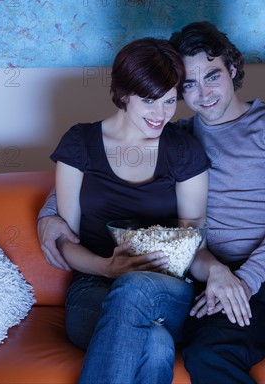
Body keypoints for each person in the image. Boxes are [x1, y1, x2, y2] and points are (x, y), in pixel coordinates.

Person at [39, 22, 265, 383]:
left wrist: (245, 279)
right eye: (189, 85)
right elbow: (105, 171)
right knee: (209, 358)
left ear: (233, 70)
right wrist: (50, 213)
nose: (203, 93)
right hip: (220, 279)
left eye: (212, 76)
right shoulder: (179, 137)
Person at [43, 37, 210, 384]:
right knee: (157, 344)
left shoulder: (183, 150)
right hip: (93, 286)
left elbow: (194, 236)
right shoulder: (80, 144)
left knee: (135, 287)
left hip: (168, 288)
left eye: (169, 101)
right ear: (123, 93)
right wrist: (107, 267)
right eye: (149, 100)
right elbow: (66, 240)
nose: (161, 114)